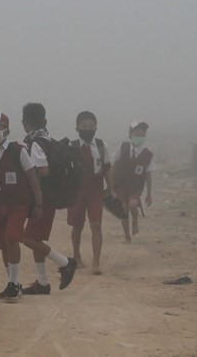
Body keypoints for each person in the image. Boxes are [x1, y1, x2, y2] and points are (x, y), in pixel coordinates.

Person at [0, 110, 45, 301]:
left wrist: (39, 203)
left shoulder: (18, 151)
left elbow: (32, 176)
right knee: (4, 245)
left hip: (18, 205)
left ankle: (14, 284)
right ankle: (11, 283)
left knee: (12, 238)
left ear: (5, 130)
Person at [20, 102, 76, 294]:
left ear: (24, 122)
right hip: (50, 196)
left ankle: (66, 262)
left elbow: (43, 170)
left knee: (26, 238)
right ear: (44, 120)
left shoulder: (36, 142)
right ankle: (42, 283)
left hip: (43, 198)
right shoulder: (48, 139)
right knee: (35, 238)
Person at [67, 111, 112, 275]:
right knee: (77, 225)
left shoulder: (101, 146)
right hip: (76, 192)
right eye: (84, 126)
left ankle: (96, 262)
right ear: (77, 128)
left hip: (95, 191)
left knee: (96, 225)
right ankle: (76, 255)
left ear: (96, 128)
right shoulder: (71, 147)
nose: (88, 129)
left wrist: (111, 189)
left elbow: (107, 169)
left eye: (91, 126)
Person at [111, 121, 155, 244]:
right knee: (124, 209)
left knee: (132, 205)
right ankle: (127, 236)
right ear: (130, 135)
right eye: (136, 134)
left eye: (142, 135)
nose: (139, 137)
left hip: (135, 187)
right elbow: (114, 165)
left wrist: (149, 194)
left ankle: (135, 221)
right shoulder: (123, 147)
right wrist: (111, 186)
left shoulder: (147, 154)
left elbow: (149, 174)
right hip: (121, 185)